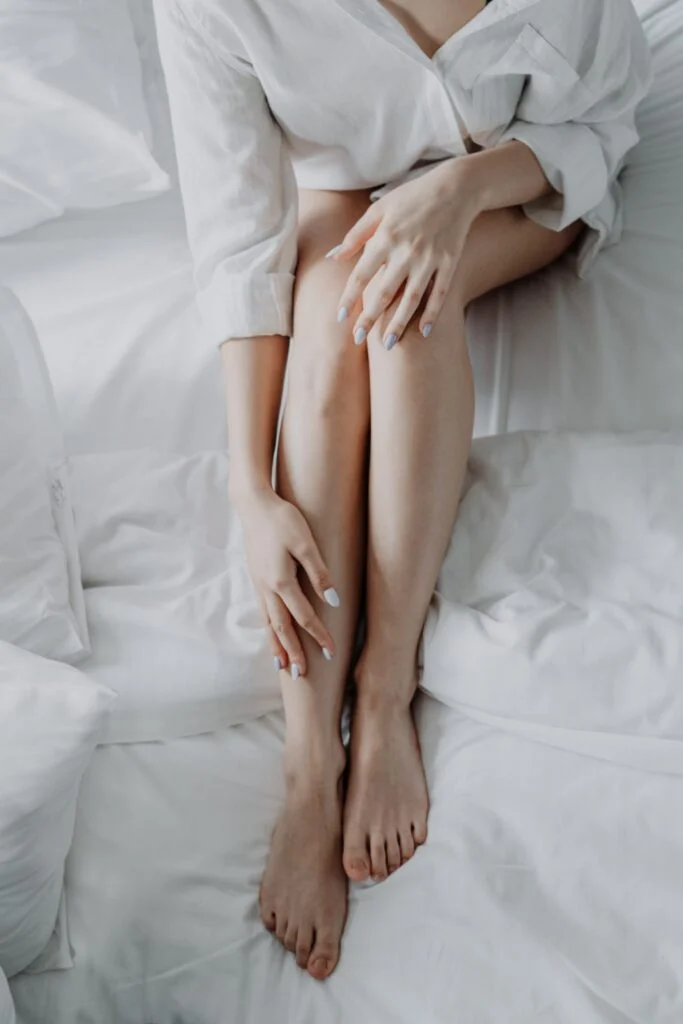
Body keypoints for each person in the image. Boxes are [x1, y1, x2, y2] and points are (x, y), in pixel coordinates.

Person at [154, 0, 652, 982]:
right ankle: (311, 763)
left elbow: (599, 129)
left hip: (510, 180)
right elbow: (238, 243)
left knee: (407, 312)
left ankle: (383, 696)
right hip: (340, 186)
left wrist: (463, 188)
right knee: (339, 308)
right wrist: (251, 493)